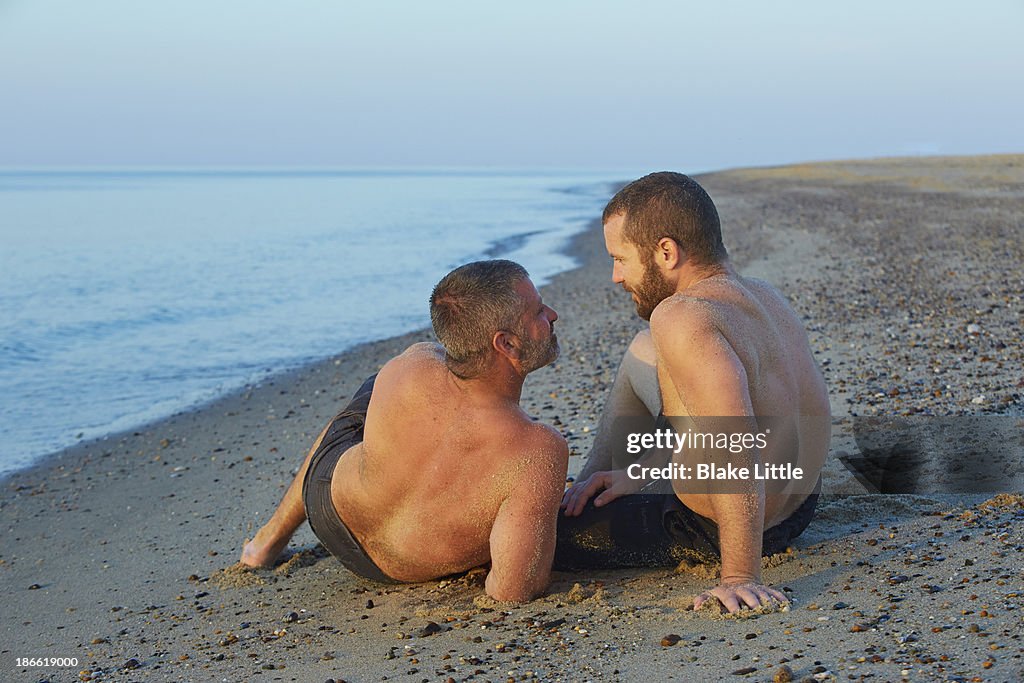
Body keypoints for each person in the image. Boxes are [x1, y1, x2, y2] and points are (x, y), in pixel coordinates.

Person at [559, 172, 830, 613]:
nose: (616, 276)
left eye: (621, 259)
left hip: (723, 526)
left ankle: (577, 507)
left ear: (666, 252)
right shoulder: (763, 296)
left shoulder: (680, 315)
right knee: (641, 350)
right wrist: (642, 471)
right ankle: (589, 484)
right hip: (799, 503)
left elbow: (735, 443)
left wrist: (739, 577)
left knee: (544, 535)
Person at [241, 259, 569, 602]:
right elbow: (514, 590)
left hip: (329, 516)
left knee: (356, 417)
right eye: (538, 311)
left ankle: (265, 543)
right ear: (506, 344)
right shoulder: (538, 448)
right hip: (403, 570)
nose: (553, 315)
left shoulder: (413, 363)